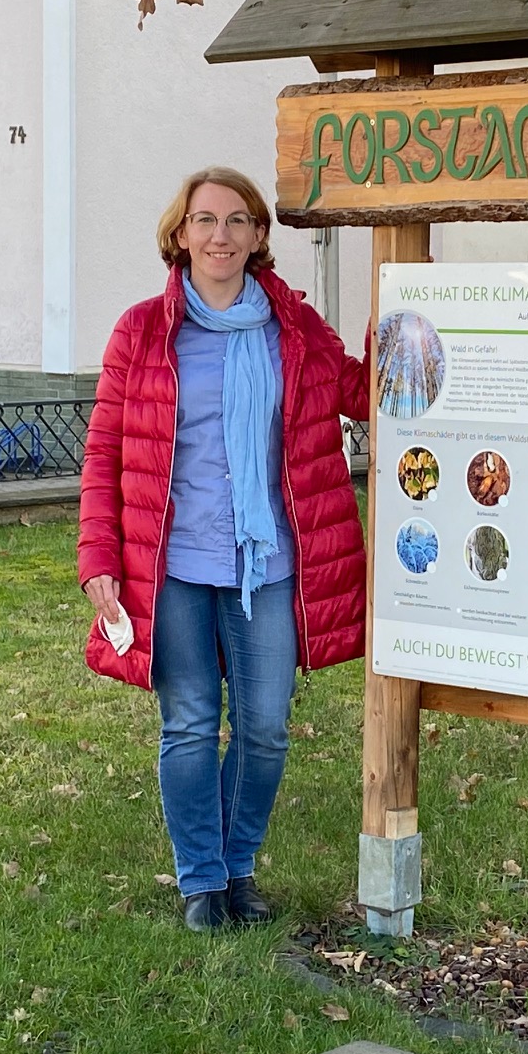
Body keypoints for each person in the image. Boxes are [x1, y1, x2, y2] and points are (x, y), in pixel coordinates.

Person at [78, 167, 367, 932]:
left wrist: (404, 309)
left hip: (266, 563)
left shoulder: (295, 331)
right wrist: (98, 558)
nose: (220, 236)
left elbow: (362, 395)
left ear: (260, 237)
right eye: (205, 220)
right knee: (191, 722)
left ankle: (240, 868)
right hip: (172, 565)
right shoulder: (142, 332)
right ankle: (203, 882)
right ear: (179, 234)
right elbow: (105, 451)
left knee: (267, 724)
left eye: (238, 221)